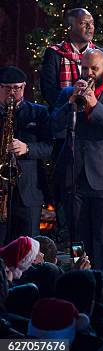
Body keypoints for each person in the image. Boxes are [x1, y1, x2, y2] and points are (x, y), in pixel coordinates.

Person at [51, 48, 103, 269]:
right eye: (84, 68)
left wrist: (95, 105)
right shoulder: (67, 93)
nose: (88, 73)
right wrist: (70, 102)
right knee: (77, 238)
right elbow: (54, 125)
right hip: (73, 175)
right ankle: (80, 277)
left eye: (94, 68)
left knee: (102, 238)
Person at [0, 67, 53, 243]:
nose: (12, 93)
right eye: (7, 88)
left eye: (17, 88)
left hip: (28, 191)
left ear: (24, 86)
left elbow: (50, 146)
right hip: (2, 190)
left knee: (28, 246)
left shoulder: (39, 113)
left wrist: (27, 148)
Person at [40, 8, 103, 111]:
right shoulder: (54, 53)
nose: (90, 27)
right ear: (70, 27)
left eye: (92, 23)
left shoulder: (102, 54)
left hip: (95, 114)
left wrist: (95, 108)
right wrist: (70, 106)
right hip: (65, 114)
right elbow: (49, 91)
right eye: (83, 23)